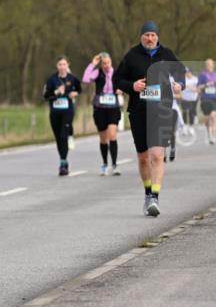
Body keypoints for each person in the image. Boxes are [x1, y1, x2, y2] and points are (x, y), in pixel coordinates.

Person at [113, 21, 185, 217]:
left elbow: (181, 75)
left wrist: (179, 85)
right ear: (141, 37)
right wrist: (132, 86)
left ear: (158, 37)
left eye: (153, 35)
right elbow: (117, 81)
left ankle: (155, 196)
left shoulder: (167, 55)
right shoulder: (131, 56)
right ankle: (147, 193)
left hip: (161, 111)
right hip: (138, 111)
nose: (150, 38)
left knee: (157, 155)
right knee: (144, 158)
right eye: (146, 35)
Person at [82, 52, 122, 176]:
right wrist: (92, 64)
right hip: (100, 108)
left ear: (111, 63)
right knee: (103, 138)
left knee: (112, 134)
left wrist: (121, 89)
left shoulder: (116, 73)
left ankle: (114, 165)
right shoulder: (98, 73)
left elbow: (124, 84)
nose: (106, 65)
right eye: (103, 63)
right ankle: (105, 163)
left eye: (108, 63)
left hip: (113, 108)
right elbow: (85, 79)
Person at [43, 56, 81, 176]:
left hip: (68, 111)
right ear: (57, 66)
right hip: (54, 112)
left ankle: (63, 164)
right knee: (59, 138)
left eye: (64, 64)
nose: (62, 67)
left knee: (63, 136)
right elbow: (46, 96)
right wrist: (56, 92)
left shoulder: (72, 78)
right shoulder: (52, 80)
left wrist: (75, 93)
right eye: (60, 64)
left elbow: (79, 89)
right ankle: (63, 159)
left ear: (68, 65)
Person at [199, 59, 216, 145]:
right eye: (208, 65)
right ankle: (209, 133)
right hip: (205, 98)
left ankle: (213, 136)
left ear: (213, 65)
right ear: (206, 66)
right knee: (208, 118)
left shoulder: (215, 75)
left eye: (211, 64)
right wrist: (206, 85)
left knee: (213, 116)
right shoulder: (203, 75)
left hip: (214, 98)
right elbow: (198, 87)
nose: (209, 66)